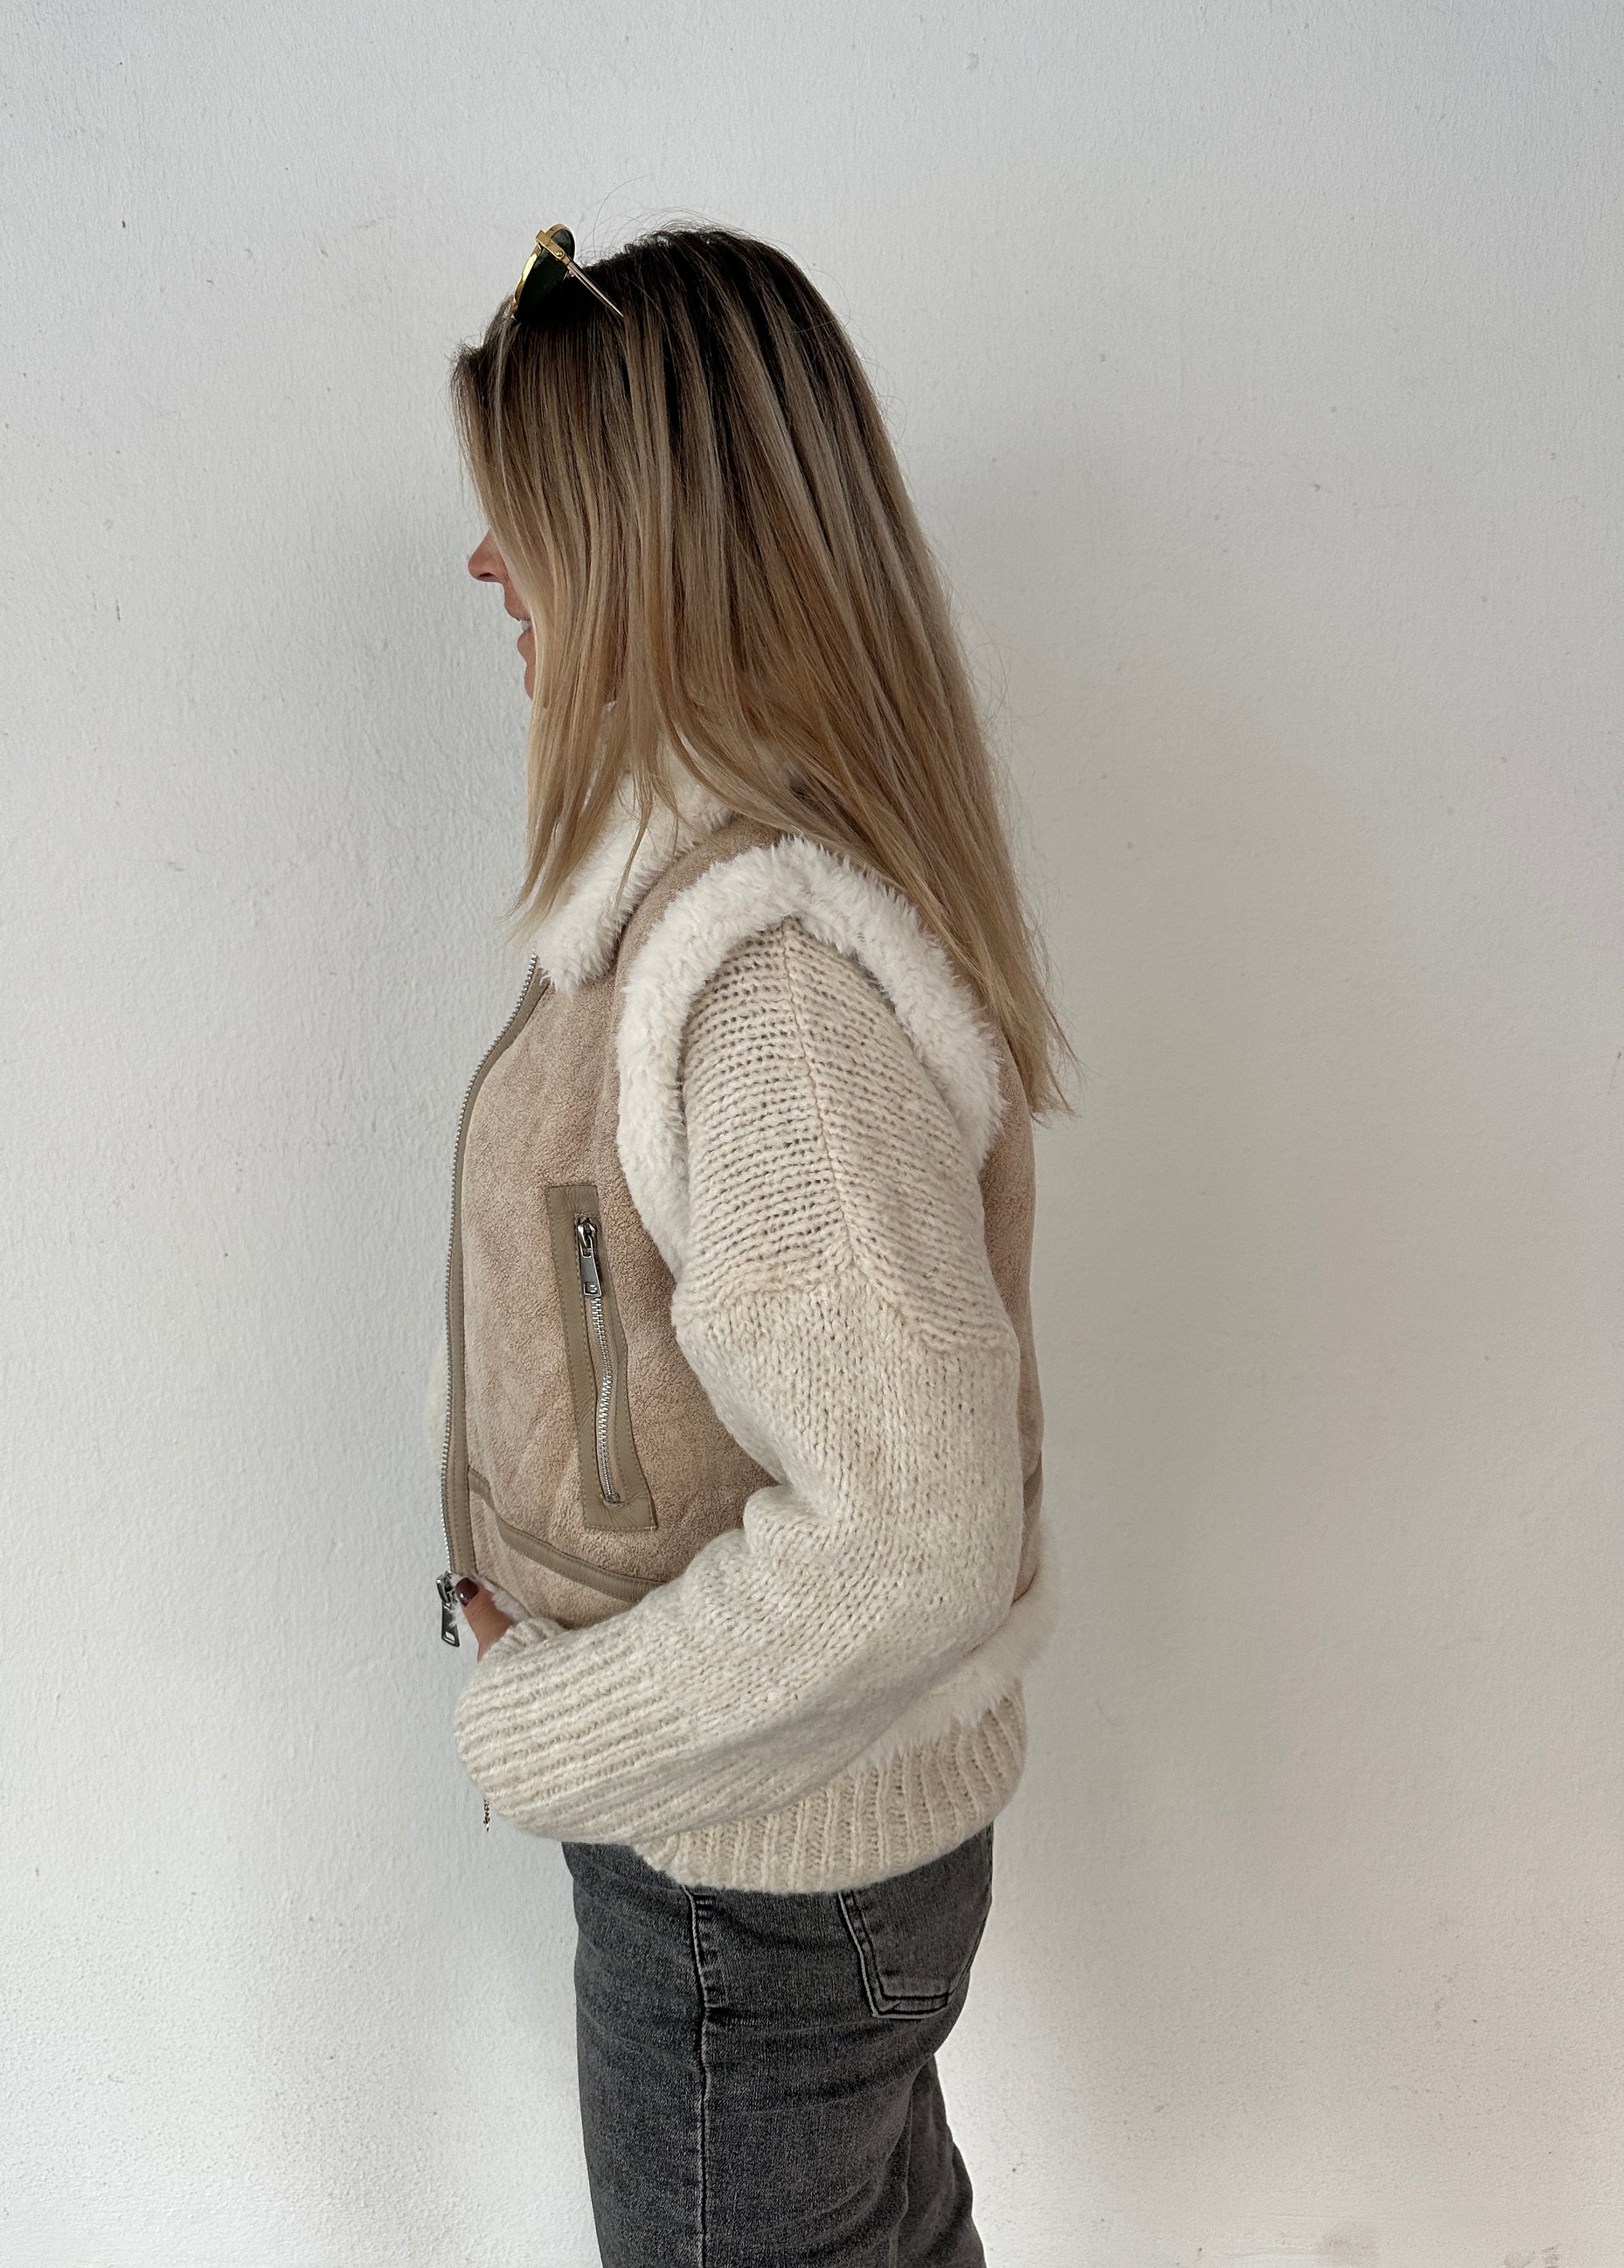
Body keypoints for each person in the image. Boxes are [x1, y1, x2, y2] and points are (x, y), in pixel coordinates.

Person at [430, 219, 1077, 2268]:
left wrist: (544, 1727)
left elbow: (910, 1536)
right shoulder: (694, 929)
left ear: (639, 553)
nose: (485, 569)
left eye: (524, 519)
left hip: (756, 1890)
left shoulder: (762, 985)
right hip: (781, 1872)